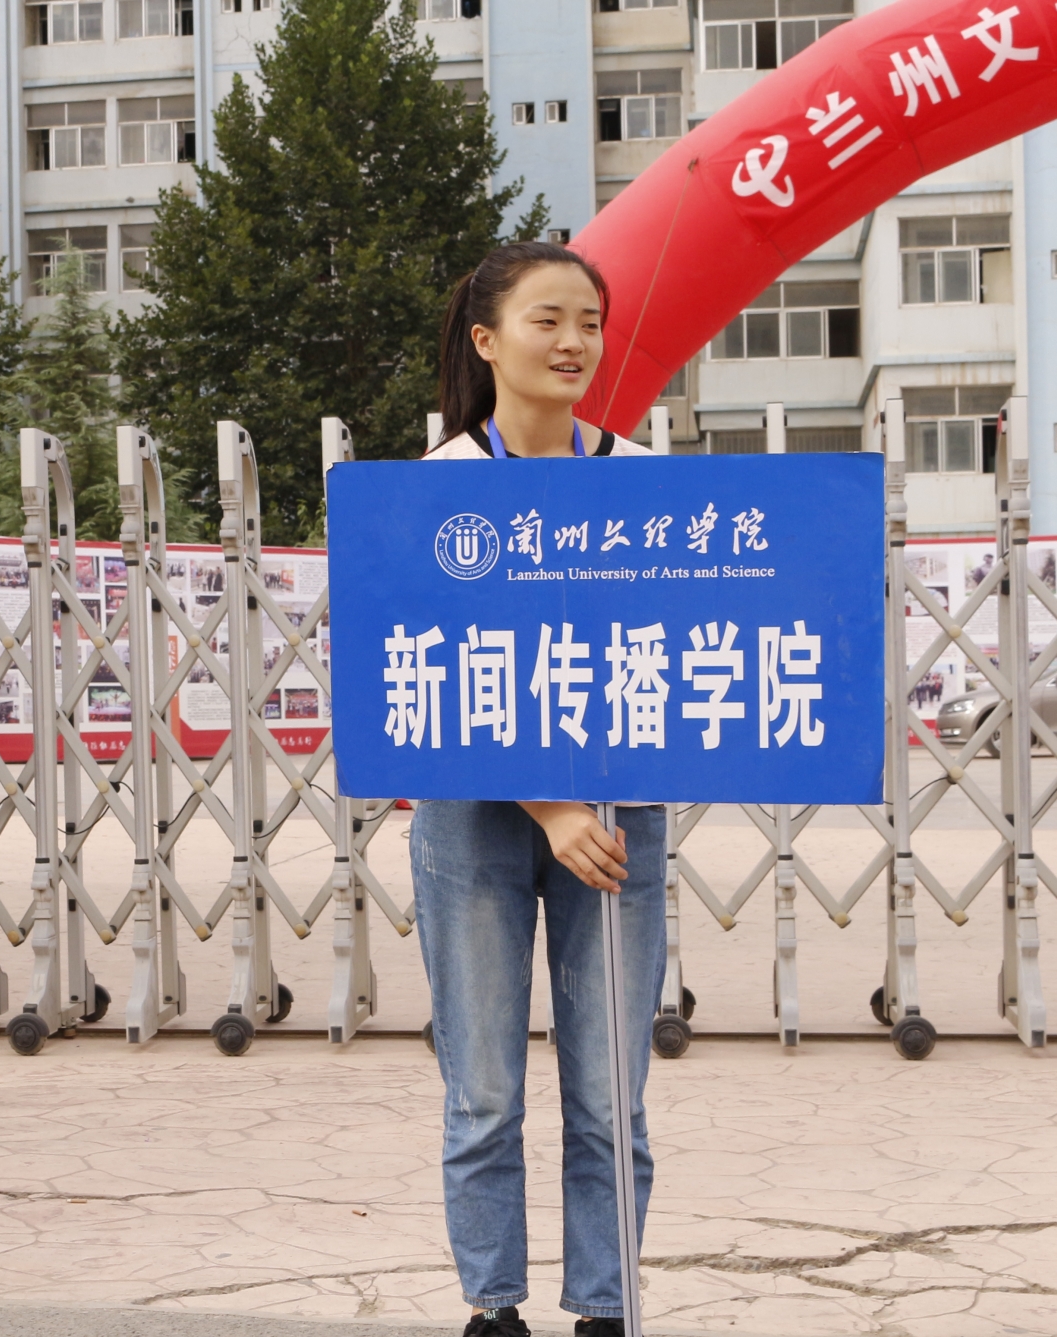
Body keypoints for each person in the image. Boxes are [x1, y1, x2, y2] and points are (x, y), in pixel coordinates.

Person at [414, 241, 664, 1337]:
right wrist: (548, 806)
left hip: (615, 814)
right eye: (546, 320)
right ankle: (494, 1305)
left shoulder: (639, 477)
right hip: (473, 813)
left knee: (608, 1089)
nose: (572, 343)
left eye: (588, 323)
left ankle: (606, 1305)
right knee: (482, 1089)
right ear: (486, 339)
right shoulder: (436, 484)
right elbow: (422, 671)